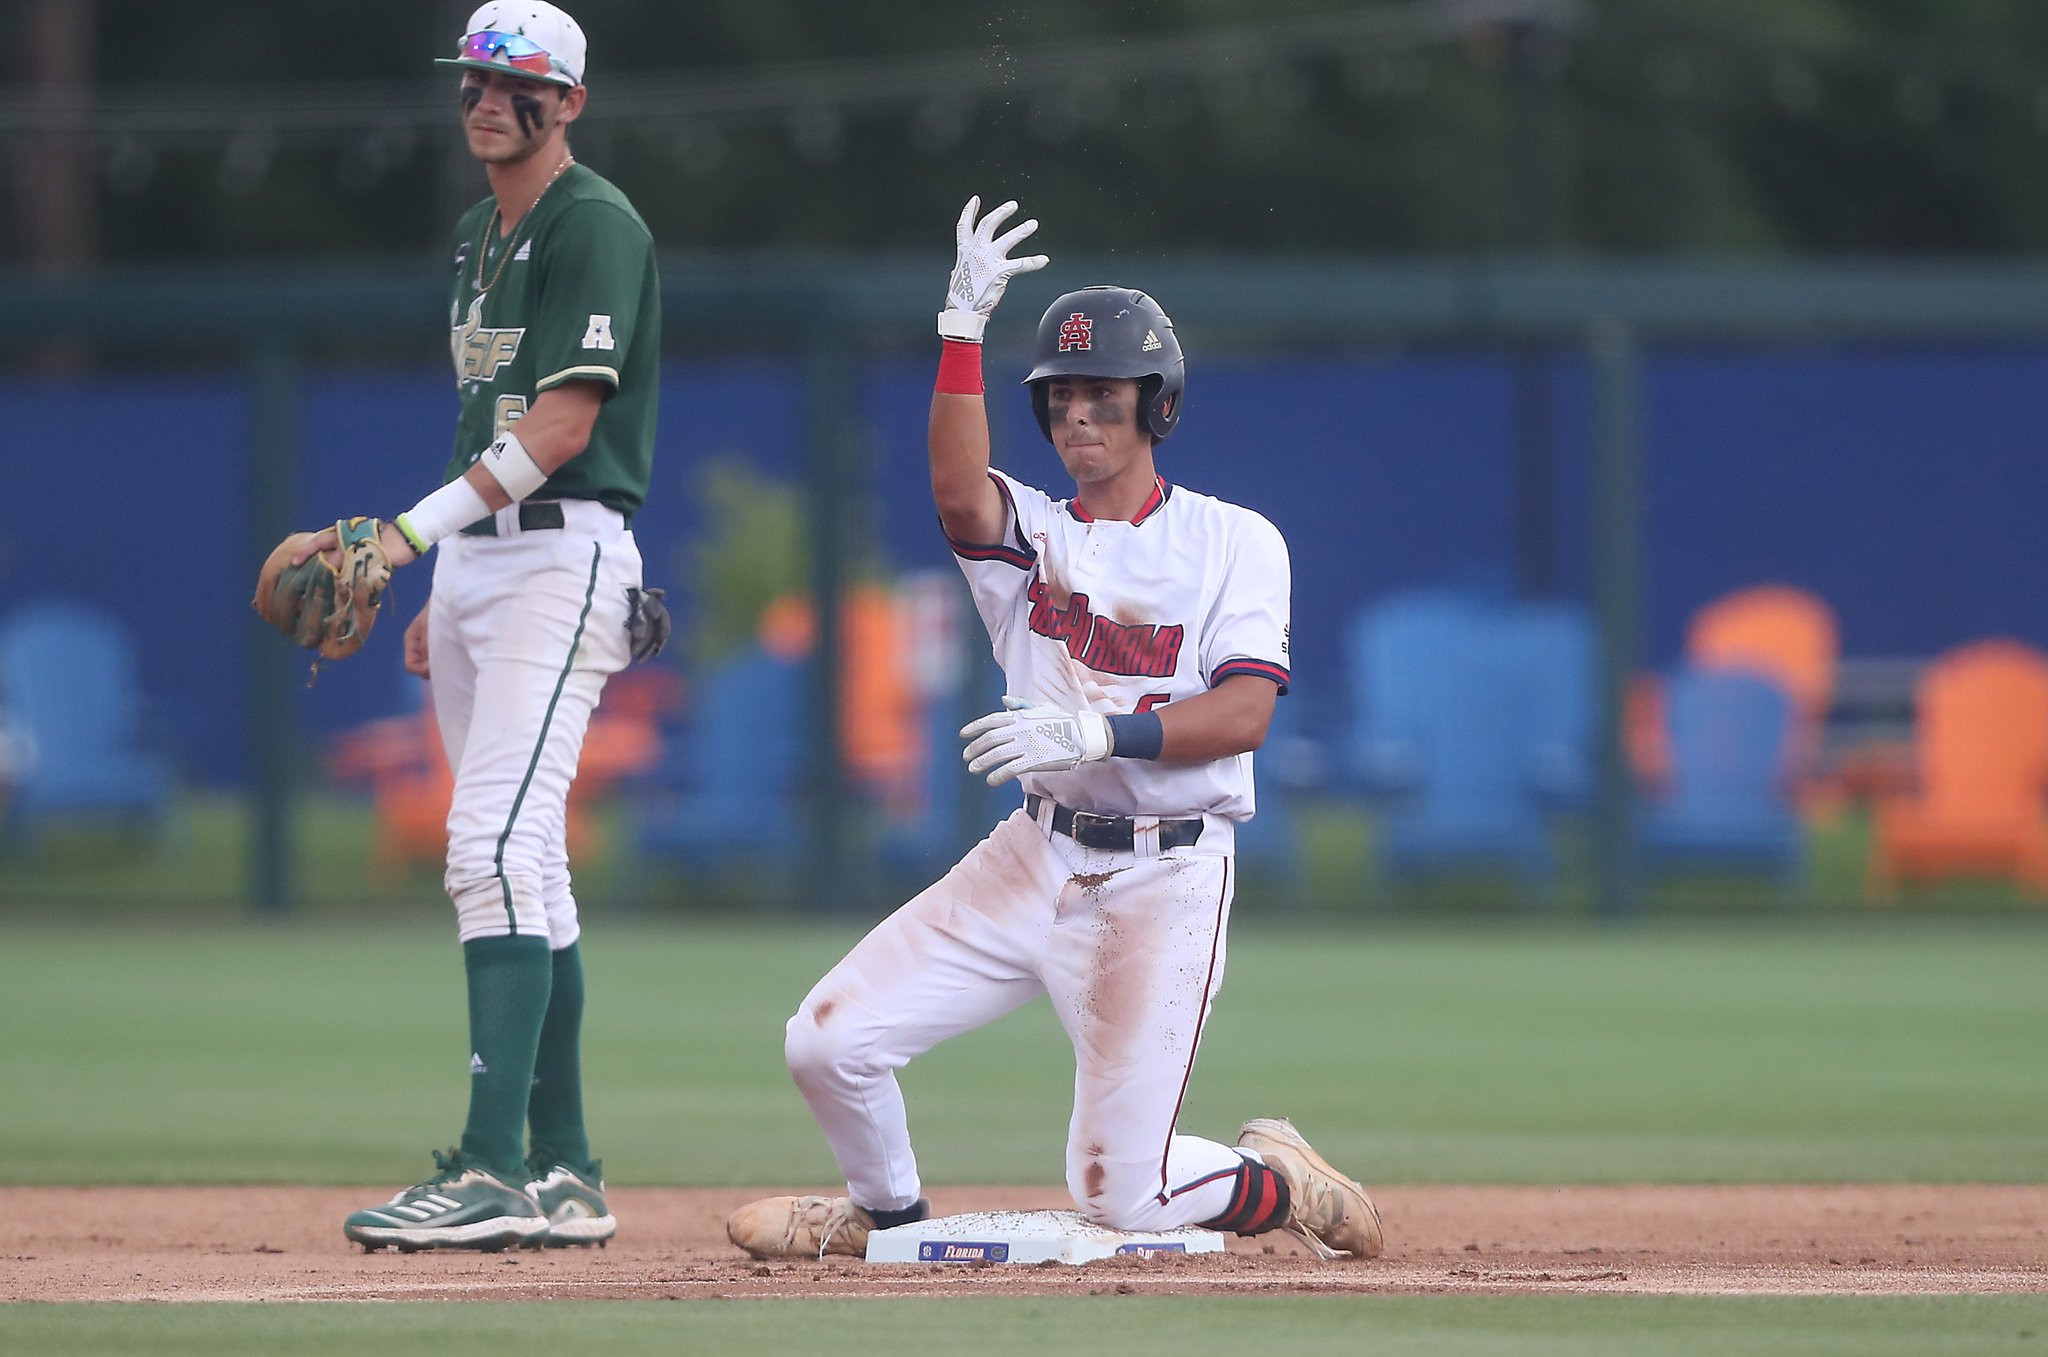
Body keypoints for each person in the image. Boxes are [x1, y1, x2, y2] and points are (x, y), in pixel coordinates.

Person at [725, 198, 1383, 1261]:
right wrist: (958, 333)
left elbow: (1246, 710)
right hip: (1033, 851)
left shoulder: (1232, 542)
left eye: (1104, 394)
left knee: (1122, 1191)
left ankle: (1280, 1182)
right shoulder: (1031, 533)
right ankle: (882, 1217)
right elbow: (953, 488)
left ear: (1156, 405)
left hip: (1162, 877)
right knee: (824, 1042)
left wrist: (1100, 732)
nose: (1079, 414)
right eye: (1061, 396)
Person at [322, 1, 664, 1252]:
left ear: (566, 101)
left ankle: (491, 1165)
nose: (482, 98)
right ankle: (565, 1171)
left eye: (511, 82)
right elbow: (490, 425)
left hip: (564, 554)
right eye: (471, 77)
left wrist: (408, 534)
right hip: (482, 564)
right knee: (528, 865)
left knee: (490, 845)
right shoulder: (476, 231)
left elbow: (565, 427)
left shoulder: (595, 224)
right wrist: (442, 568)